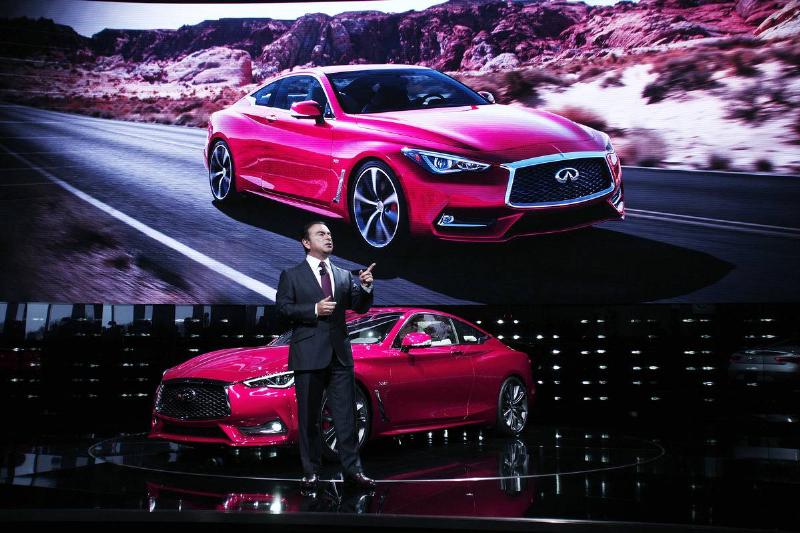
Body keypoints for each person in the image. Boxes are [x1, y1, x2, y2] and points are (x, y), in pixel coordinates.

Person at [276, 221, 376, 491]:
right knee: (309, 418)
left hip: (340, 356)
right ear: (306, 243)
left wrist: (366, 288)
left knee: (346, 417)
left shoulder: (343, 275)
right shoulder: (292, 274)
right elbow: (283, 309)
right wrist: (313, 310)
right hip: (308, 355)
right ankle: (311, 471)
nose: (328, 237)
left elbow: (360, 306)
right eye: (321, 234)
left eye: (330, 234)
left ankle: (353, 470)